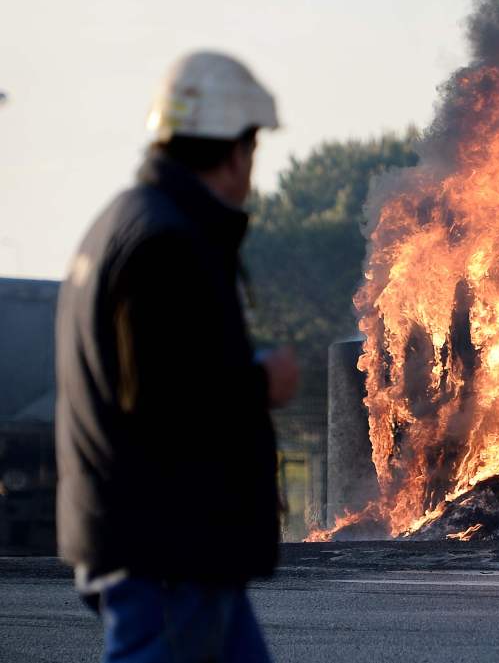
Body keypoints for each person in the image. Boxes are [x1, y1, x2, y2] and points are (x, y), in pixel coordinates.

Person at [55, 51, 299, 662]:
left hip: (178, 540)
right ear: (235, 150)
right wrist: (260, 384)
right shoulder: (164, 243)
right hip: (165, 547)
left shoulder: (122, 223)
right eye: (252, 150)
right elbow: (163, 398)